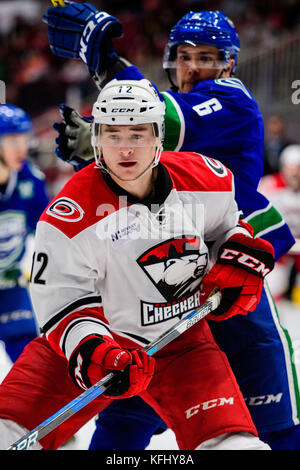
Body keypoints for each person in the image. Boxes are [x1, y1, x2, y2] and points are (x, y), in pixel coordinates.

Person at [42, 4, 299, 450]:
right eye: (184, 56)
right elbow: (143, 124)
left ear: (229, 64)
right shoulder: (156, 121)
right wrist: (110, 73)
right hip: (162, 302)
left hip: (232, 291)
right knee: (122, 427)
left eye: (207, 57)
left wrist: (106, 70)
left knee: (277, 431)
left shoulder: (233, 100)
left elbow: (158, 114)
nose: (194, 67)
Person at [0, 78, 274, 450]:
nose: (126, 147)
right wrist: (93, 350)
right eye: (113, 134)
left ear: (158, 136)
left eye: (138, 133)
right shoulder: (69, 216)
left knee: (235, 445)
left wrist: (238, 256)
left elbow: (226, 231)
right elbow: (64, 302)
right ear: (96, 138)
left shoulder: (208, 179)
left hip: (182, 342)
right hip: (99, 343)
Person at [0, 104, 48, 364]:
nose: (22, 148)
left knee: (29, 359)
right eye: (11, 139)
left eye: (24, 139)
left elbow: (48, 232)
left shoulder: (30, 178)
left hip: (9, 281)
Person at [260, 145, 300, 305]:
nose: (295, 173)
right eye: (292, 167)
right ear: (283, 167)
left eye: (298, 168)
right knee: (272, 286)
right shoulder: (269, 186)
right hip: (278, 249)